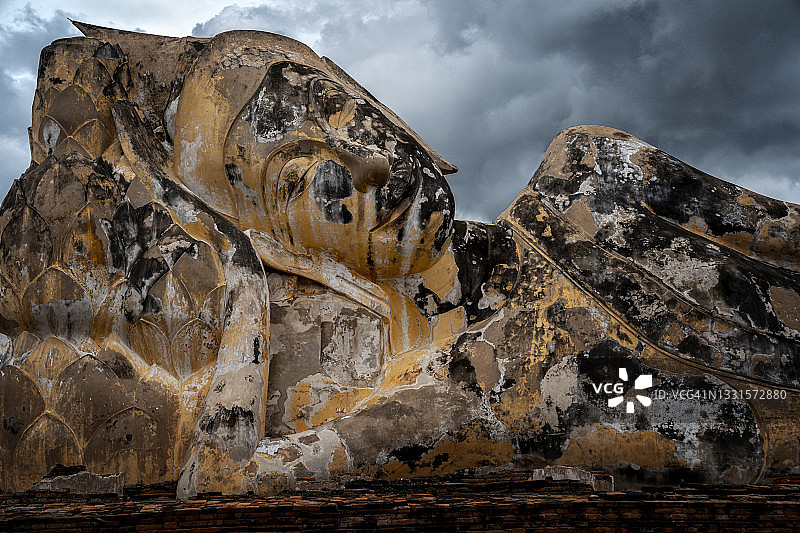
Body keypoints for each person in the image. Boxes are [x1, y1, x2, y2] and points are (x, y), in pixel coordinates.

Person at [0, 23, 797, 497]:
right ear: (285, 247)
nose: (362, 166)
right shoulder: (431, 382)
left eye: (335, 109)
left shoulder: (589, 180)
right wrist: (241, 284)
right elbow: (222, 473)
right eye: (300, 177)